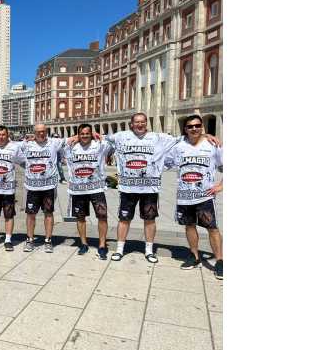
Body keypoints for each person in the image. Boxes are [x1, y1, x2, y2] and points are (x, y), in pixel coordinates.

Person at [103, 113, 219, 263]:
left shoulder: (159, 138)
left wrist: (206, 135)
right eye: (136, 122)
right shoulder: (120, 136)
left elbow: (185, 137)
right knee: (124, 219)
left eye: (143, 122)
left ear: (146, 123)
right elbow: (101, 137)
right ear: (131, 124)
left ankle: (149, 251)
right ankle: (119, 249)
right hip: (127, 188)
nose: (140, 125)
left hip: (150, 189)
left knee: (150, 220)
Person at [165, 115, 223, 279]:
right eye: (190, 126)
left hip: (205, 196)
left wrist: (221, 186)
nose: (194, 129)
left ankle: (219, 261)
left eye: (197, 125)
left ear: (202, 126)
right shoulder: (178, 146)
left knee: (212, 228)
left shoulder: (212, 145)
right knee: (189, 226)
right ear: (185, 129)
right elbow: (164, 160)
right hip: (184, 196)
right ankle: (195, 256)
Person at [64, 124, 114, 259]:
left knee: (102, 216)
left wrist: (101, 136)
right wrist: (72, 137)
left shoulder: (99, 145)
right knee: (80, 217)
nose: (85, 136)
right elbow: (56, 145)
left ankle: (102, 245)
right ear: (78, 134)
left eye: (87, 133)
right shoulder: (71, 146)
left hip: (96, 188)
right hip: (78, 189)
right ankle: (83, 244)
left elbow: (114, 144)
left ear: (91, 134)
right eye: (82, 133)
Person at [20, 123, 66, 253]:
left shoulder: (54, 142)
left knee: (48, 213)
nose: (41, 133)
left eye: (44, 131)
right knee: (30, 214)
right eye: (39, 131)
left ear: (47, 132)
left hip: (48, 187)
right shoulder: (26, 144)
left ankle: (48, 240)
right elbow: (6, 141)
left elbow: (72, 139)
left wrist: (94, 135)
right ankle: (29, 240)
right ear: (34, 133)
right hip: (32, 187)